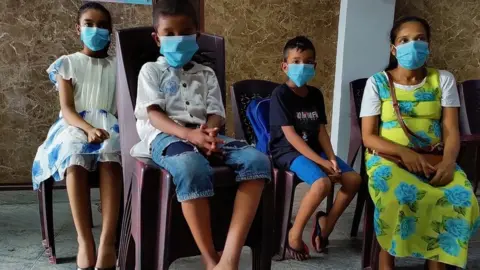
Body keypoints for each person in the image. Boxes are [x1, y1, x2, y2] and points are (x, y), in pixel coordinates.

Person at [130, 0, 271, 269]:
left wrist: (208, 134)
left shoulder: (205, 73)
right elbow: (154, 115)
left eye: (185, 32)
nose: (177, 39)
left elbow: (216, 112)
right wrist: (189, 135)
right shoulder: (151, 71)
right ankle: (210, 258)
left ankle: (229, 258)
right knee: (190, 165)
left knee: (258, 162)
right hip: (166, 136)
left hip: (206, 133)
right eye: (169, 33)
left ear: (197, 34)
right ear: (156, 38)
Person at [360, 16, 479, 270]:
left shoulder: (443, 80)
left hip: (435, 159)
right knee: (400, 196)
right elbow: (368, 136)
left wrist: (449, 162)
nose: (413, 45)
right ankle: (386, 260)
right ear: (394, 49)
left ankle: (437, 262)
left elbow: (450, 129)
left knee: (460, 197)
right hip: (387, 159)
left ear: (429, 45)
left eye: (420, 39)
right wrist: (405, 154)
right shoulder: (378, 83)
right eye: (404, 40)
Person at [32, 2, 121, 269]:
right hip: (75, 124)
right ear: (78, 29)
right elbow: (67, 110)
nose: (96, 30)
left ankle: (107, 241)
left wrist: (101, 130)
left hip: (110, 122)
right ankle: (85, 241)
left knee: (112, 148)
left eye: (103, 26)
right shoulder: (67, 64)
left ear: (110, 31)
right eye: (89, 24)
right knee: (73, 152)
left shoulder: (118, 65)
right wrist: (87, 128)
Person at [269, 36, 362, 260]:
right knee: (322, 184)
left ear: (315, 66)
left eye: (308, 62)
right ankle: (293, 235)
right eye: (297, 61)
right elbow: (291, 137)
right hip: (287, 152)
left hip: (314, 150)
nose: (303, 66)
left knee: (353, 180)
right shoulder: (280, 95)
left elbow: (320, 131)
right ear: (285, 66)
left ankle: (326, 225)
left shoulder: (316, 95)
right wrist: (322, 164)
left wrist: (330, 158)